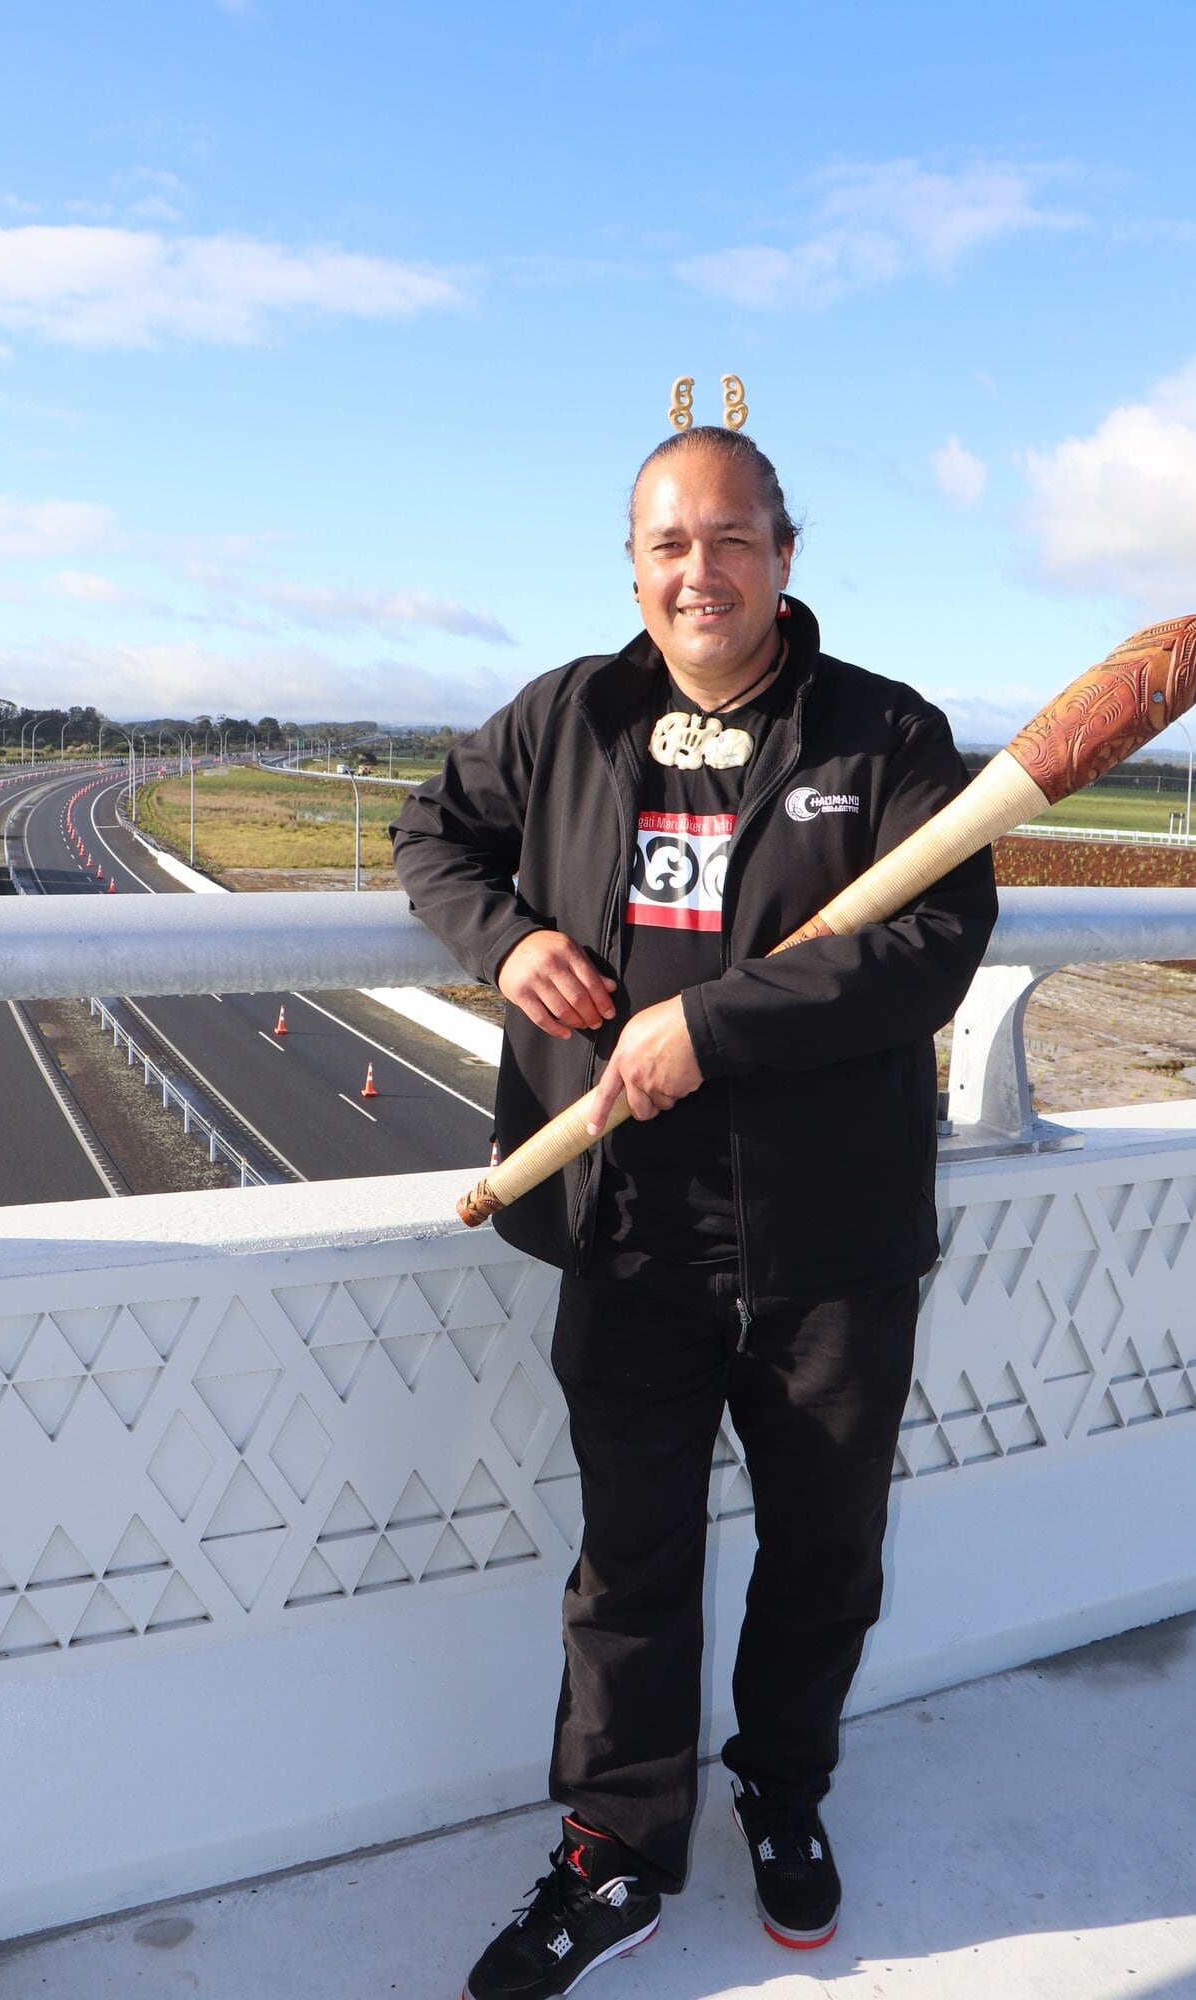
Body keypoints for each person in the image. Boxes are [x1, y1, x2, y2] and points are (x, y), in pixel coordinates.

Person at [391, 423, 997, 1999]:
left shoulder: (883, 734)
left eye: (729, 539)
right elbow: (428, 837)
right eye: (667, 543)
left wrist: (710, 1028)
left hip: (829, 1243)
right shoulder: (567, 716)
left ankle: (781, 1790)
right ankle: (614, 1845)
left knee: (823, 1551)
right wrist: (504, 940)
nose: (697, 571)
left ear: (784, 557)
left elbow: (930, 939)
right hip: (625, 1227)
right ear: (634, 564)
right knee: (629, 1562)